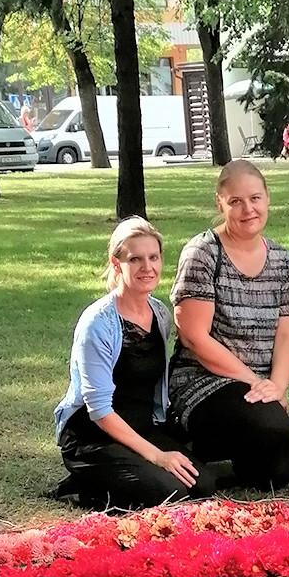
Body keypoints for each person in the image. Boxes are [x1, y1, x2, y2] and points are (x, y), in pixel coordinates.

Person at [51, 217, 215, 510]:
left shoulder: (160, 314)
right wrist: (157, 456)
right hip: (94, 435)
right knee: (170, 492)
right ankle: (89, 482)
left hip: (140, 429)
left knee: (202, 484)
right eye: (135, 259)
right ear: (117, 265)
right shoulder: (97, 324)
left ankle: (117, 476)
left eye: (153, 257)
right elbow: (99, 411)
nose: (147, 267)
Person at [169, 160, 289, 490]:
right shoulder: (203, 253)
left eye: (255, 199)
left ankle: (217, 460)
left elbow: (288, 330)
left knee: (282, 471)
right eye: (235, 202)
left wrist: (277, 386)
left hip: (258, 387)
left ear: (267, 198)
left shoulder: (281, 259)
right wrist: (255, 382)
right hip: (204, 380)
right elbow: (194, 337)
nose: (248, 209)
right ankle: (189, 445)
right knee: (270, 426)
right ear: (220, 203)